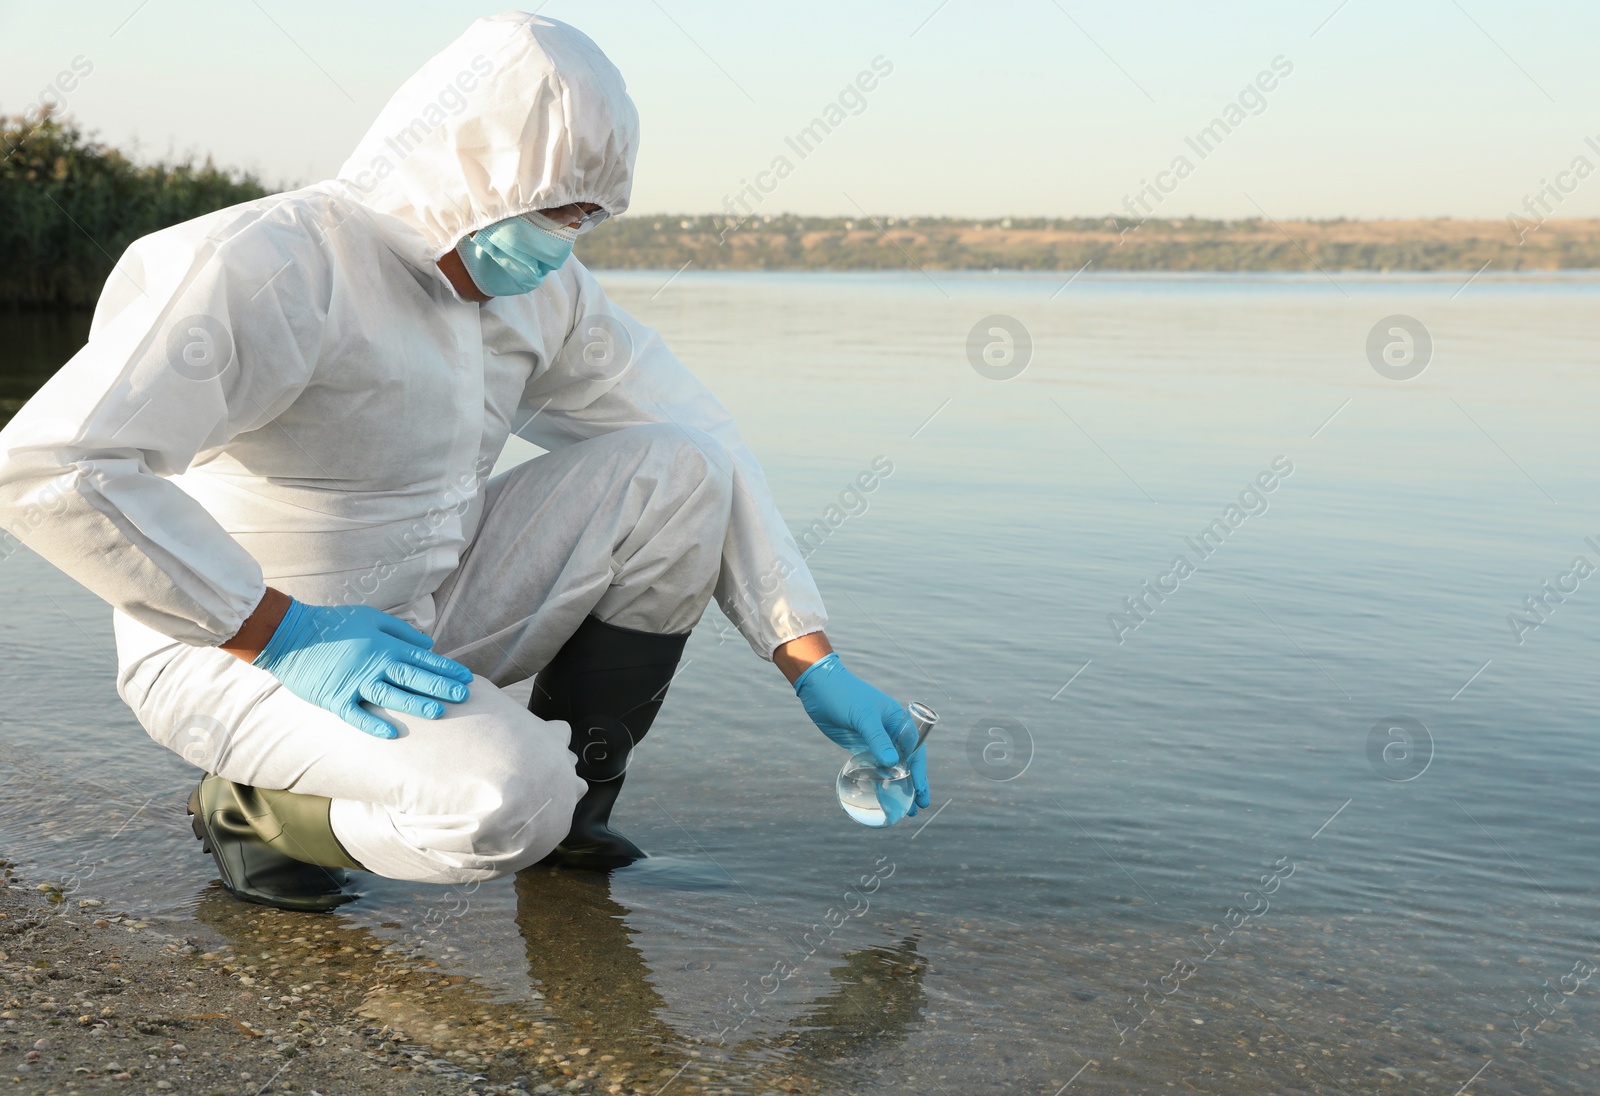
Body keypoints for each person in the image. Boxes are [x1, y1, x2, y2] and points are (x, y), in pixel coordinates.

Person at [0, 12, 930, 912]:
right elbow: (51, 466)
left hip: (427, 616)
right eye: (556, 214)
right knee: (502, 799)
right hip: (241, 649)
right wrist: (283, 632)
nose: (568, 242)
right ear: (467, 174)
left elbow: (706, 442)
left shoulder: (543, 293)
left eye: (587, 220)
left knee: (679, 470)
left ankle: (577, 822)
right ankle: (255, 814)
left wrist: (809, 661)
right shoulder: (270, 266)